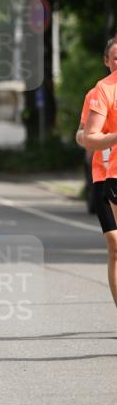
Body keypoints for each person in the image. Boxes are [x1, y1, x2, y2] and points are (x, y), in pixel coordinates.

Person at [80, 35, 117, 306]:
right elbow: (85, 134)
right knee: (115, 245)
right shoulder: (99, 92)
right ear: (106, 61)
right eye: (115, 58)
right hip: (105, 174)